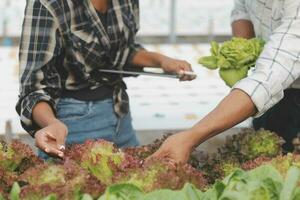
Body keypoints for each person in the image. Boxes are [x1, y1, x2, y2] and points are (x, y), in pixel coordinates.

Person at [16, 0, 195, 159]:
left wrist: (162, 61)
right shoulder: (49, 4)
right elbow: (32, 88)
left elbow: (122, 52)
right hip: (73, 124)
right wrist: (52, 123)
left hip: (120, 113)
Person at [152, 0, 300, 163]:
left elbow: (266, 80)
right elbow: (241, 9)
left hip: (282, 88)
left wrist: (190, 137)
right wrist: (241, 51)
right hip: (273, 98)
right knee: (268, 161)